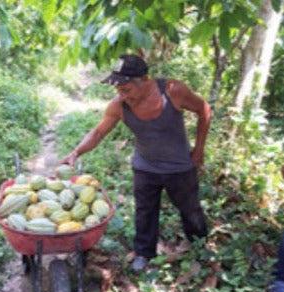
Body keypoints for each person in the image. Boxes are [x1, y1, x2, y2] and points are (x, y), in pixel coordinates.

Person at [59, 54, 211, 272]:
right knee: (145, 212)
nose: (122, 96)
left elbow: (204, 110)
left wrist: (199, 149)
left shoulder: (173, 91)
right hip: (145, 167)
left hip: (179, 167)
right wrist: (75, 153)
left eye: (126, 89)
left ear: (145, 80)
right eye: (118, 91)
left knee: (190, 209)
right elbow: (98, 132)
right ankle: (144, 253)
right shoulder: (119, 105)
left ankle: (199, 246)